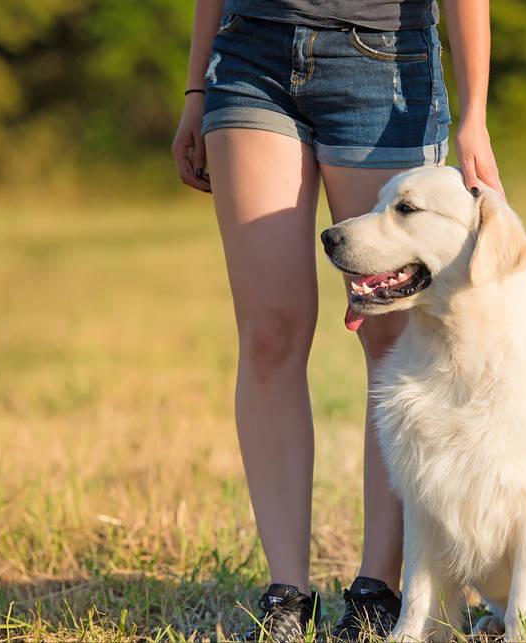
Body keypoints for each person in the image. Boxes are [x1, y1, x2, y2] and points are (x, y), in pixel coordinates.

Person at [172, 0, 503, 639]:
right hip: (250, 55)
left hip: (384, 62)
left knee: (392, 338)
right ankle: (286, 595)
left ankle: (378, 589)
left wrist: (475, 115)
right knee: (270, 333)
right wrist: (195, 90)